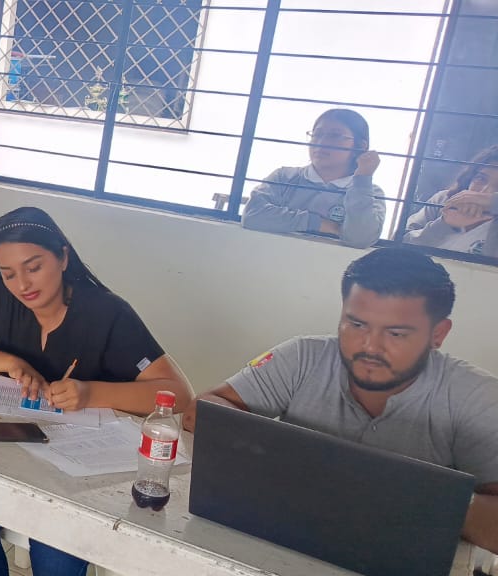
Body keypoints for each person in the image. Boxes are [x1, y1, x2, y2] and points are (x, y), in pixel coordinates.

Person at [0, 206, 194, 575]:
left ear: (62, 257)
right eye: (9, 274)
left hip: (82, 469)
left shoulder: (106, 313)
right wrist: (10, 362)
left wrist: (89, 393)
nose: (23, 285)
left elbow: (178, 393)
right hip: (11, 450)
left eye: (34, 267)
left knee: (55, 553)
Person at [184, 248, 498, 553]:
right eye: (356, 324)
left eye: (396, 334)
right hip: (283, 536)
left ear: (438, 333)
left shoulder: (476, 398)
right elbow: (201, 411)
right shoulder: (303, 357)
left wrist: (404, 492)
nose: (370, 346)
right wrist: (293, 457)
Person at [242, 108, 385, 248]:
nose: (321, 142)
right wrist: (318, 223)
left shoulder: (370, 193)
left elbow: (360, 239)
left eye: (335, 135)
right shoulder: (284, 177)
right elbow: (252, 215)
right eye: (317, 135)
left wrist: (362, 179)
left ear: (360, 146)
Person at [404, 145, 498, 257]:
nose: (485, 191)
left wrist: (493, 202)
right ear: (469, 178)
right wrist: (443, 225)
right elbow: (400, 244)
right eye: (481, 179)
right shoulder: (444, 199)